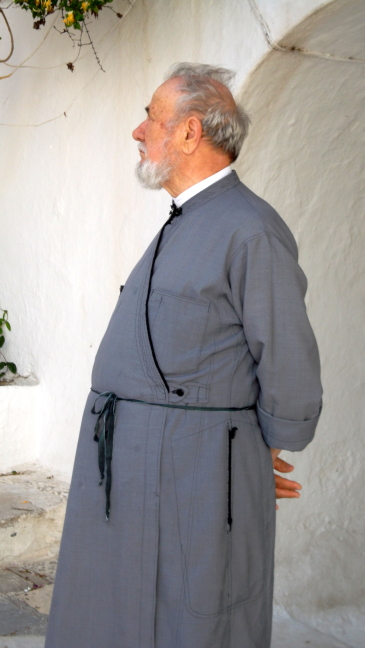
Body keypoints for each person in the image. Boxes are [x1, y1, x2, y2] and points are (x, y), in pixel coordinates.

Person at [45, 63, 322, 648]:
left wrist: (251, 452)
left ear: (191, 132)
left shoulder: (250, 230)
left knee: (186, 616)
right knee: (112, 614)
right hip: (132, 462)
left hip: (191, 475)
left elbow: (289, 364)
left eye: (152, 116)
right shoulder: (188, 218)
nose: (139, 131)